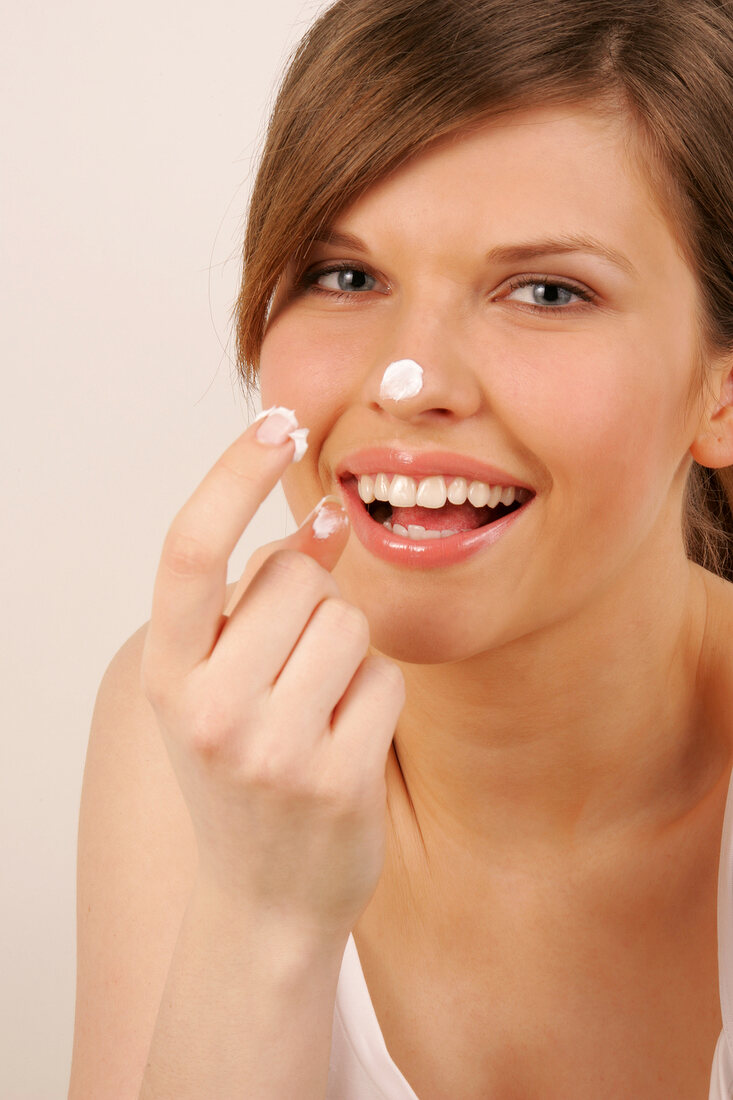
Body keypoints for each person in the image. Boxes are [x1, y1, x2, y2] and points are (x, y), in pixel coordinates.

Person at [68, 0, 733, 1097]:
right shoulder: (200, 719)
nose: (406, 378)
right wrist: (261, 905)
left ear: (718, 389)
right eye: (345, 275)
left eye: (547, 290)